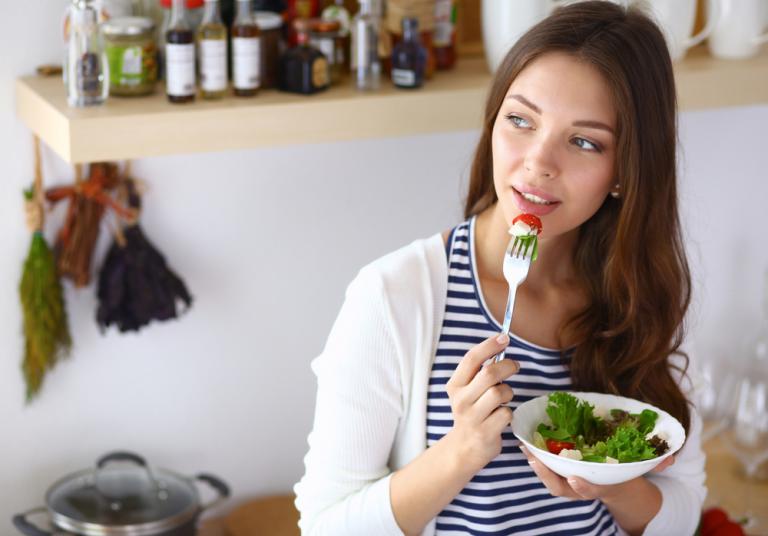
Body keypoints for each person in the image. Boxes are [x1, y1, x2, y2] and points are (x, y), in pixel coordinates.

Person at [294, 1, 706, 534]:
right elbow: (325, 526)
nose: (538, 162)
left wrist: (615, 483)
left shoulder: (639, 295)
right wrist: (461, 450)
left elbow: (684, 512)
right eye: (521, 120)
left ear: (626, 169)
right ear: (493, 121)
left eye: (584, 141)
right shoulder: (394, 296)